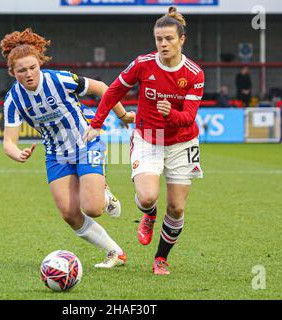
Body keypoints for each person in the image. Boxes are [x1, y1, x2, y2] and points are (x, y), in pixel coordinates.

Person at [0, 28, 135, 268]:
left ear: (40, 63)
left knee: (93, 208)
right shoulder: (13, 99)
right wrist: (15, 153)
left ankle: (104, 193)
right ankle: (114, 252)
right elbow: (9, 141)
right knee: (69, 213)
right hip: (55, 154)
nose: (29, 74)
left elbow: (103, 88)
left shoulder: (59, 80)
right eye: (22, 70)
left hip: (86, 141)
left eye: (33, 67)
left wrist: (122, 115)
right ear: (12, 72)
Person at [84, 7, 204, 275]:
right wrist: (97, 123)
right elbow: (113, 90)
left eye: (169, 39)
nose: (163, 44)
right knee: (148, 196)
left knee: (176, 206)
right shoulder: (142, 64)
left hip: (183, 142)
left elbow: (188, 118)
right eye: (159, 39)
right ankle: (148, 214)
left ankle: (161, 258)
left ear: (181, 39)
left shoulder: (194, 74)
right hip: (149, 137)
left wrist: (170, 113)